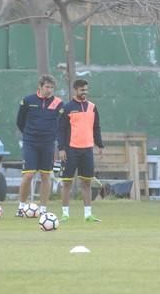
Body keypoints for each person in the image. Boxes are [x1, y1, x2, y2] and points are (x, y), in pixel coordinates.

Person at [15, 75, 64, 217]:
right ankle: (21, 207)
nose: (49, 90)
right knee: (29, 174)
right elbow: (20, 121)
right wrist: (29, 134)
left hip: (48, 143)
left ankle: (43, 209)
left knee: (45, 175)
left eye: (51, 87)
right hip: (30, 142)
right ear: (40, 87)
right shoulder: (27, 101)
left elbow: (61, 124)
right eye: (47, 87)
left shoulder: (59, 103)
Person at [58, 78, 104, 222]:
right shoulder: (67, 107)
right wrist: (61, 148)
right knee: (67, 182)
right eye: (82, 90)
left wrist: (100, 145)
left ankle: (88, 215)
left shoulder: (92, 107)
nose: (85, 92)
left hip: (87, 150)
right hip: (71, 150)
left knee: (86, 183)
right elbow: (61, 130)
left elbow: (96, 127)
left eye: (86, 89)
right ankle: (65, 214)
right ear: (75, 90)